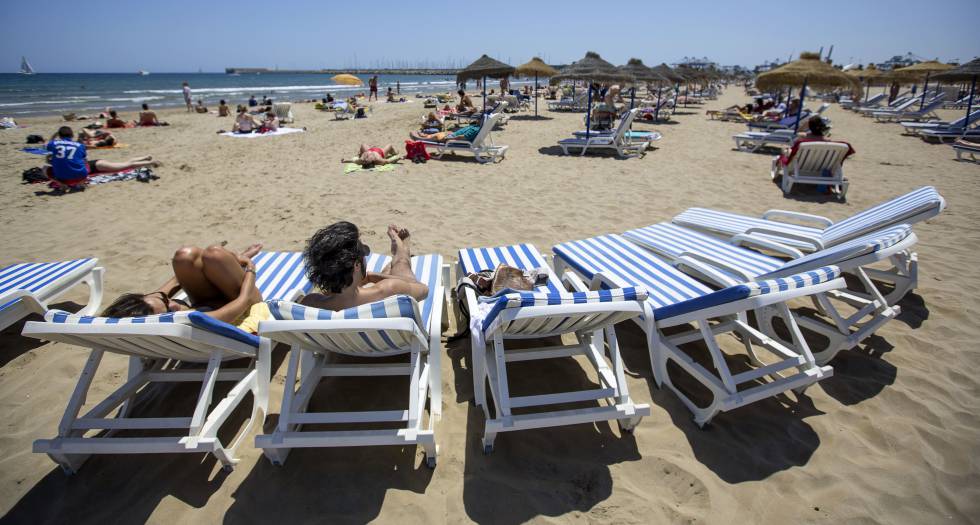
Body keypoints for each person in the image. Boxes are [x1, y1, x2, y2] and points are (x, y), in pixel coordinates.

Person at [100, 243, 271, 333]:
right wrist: (249, 267)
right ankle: (229, 259)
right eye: (168, 310)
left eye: (165, 299)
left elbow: (177, 280)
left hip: (210, 299)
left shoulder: (146, 315)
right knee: (215, 253)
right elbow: (244, 299)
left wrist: (215, 263)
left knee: (184, 257)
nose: (173, 303)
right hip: (243, 303)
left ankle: (228, 260)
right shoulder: (196, 319)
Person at [300, 222, 428, 312]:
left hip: (341, 348)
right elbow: (423, 289)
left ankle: (397, 256)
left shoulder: (310, 303)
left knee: (391, 269)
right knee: (402, 266)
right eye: (362, 254)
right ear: (356, 265)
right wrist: (374, 276)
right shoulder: (388, 290)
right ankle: (401, 252)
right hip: (391, 350)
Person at [45, 126, 157, 190]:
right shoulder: (80, 146)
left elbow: (48, 144)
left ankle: (147, 160)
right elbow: (84, 161)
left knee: (125, 165)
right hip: (87, 171)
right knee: (124, 164)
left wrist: (55, 135)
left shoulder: (54, 144)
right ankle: (146, 158)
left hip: (71, 176)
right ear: (71, 136)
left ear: (60, 136)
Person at [777, 117, 854, 167]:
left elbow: (798, 131)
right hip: (820, 166)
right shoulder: (828, 141)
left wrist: (804, 125)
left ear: (810, 126)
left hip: (800, 166)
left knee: (785, 149)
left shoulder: (803, 137)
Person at [410, 123, 480, 143]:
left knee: (437, 136)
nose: (477, 119)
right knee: (439, 133)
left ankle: (420, 138)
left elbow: (464, 137)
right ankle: (424, 136)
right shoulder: (476, 127)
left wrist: (450, 137)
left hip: (453, 138)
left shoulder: (475, 129)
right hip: (454, 135)